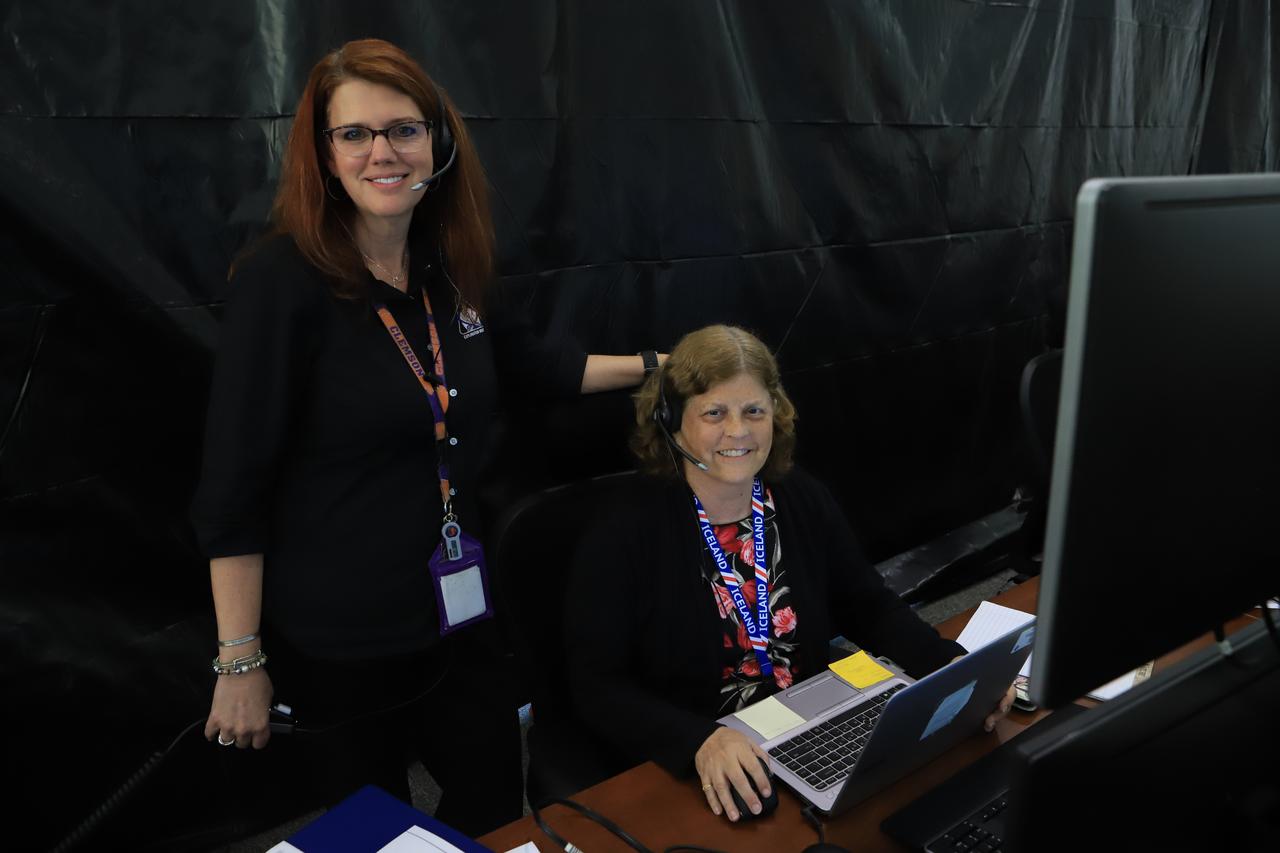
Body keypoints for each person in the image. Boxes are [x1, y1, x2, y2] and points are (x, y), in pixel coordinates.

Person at [190, 38, 660, 836]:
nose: (384, 152)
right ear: (323, 154)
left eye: (404, 129)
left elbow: (539, 366)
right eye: (356, 134)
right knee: (378, 832)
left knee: (491, 805)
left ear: (438, 145)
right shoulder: (281, 282)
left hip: (457, 617)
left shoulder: (453, 265)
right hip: (340, 639)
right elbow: (233, 485)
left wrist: (667, 365)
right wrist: (240, 659)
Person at [564, 325, 1015, 822]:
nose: (738, 431)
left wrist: (952, 666)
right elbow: (595, 685)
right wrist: (699, 740)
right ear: (671, 423)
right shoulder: (624, 530)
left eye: (754, 411)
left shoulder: (799, 497)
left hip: (807, 727)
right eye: (714, 413)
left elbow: (868, 605)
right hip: (698, 750)